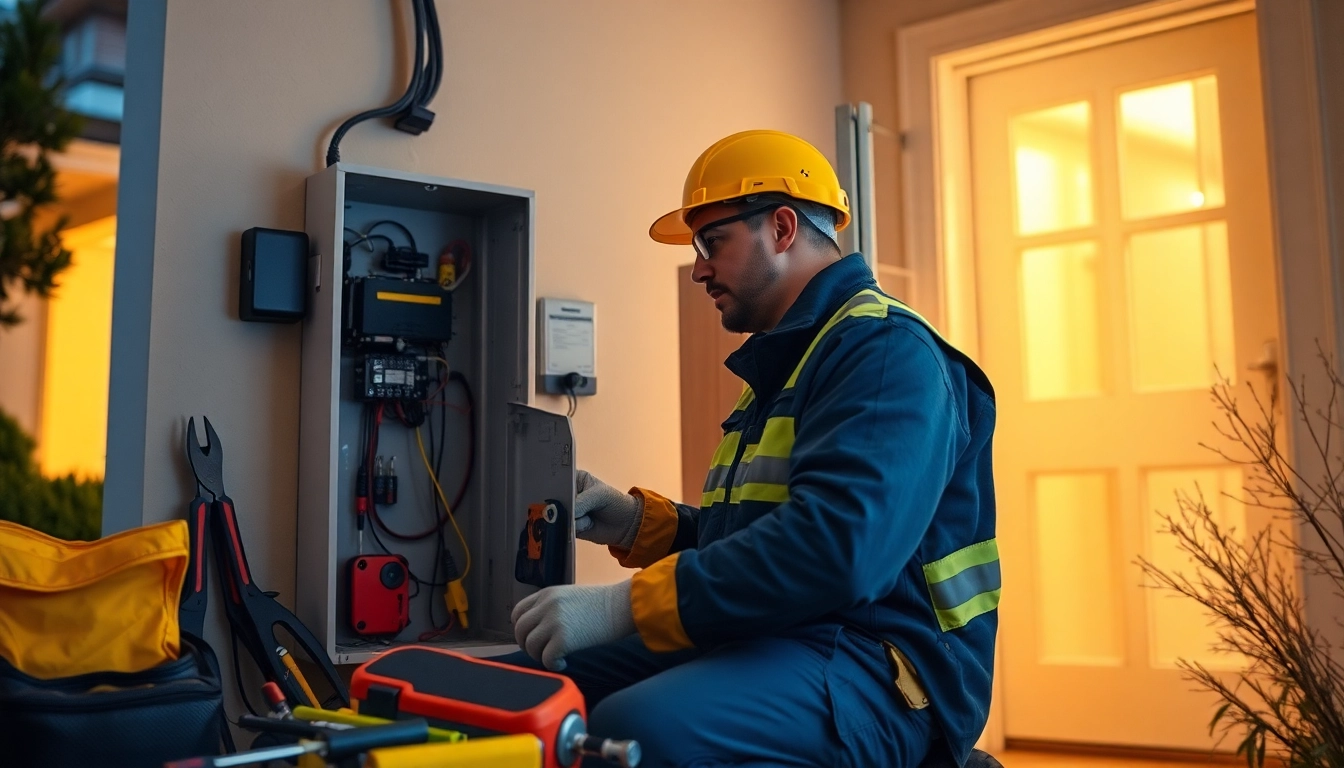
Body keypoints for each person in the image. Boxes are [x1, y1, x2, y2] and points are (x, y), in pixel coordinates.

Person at [505, 129, 998, 767]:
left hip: (883, 668)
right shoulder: (791, 361)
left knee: (637, 730)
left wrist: (625, 605)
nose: (699, 269)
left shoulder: (883, 353)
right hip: (781, 630)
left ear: (784, 228)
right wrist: (640, 523)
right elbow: (759, 536)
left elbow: (836, 549)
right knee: (520, 685)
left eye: (713, 242)